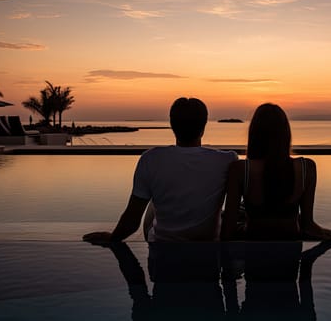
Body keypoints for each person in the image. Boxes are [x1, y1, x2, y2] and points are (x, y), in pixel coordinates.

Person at [83, 97, 238, 244]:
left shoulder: (151, 159)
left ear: (172, 126)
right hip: (207, 248)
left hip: (162, 246)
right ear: (203, 127)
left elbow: (132, 220)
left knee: (152, 200)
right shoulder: (227, 160)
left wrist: (112, 238)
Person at [221, 103, 331, 241]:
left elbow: (227, 231)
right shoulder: (306, 167)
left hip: (252, 244)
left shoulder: (240, 169)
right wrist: (330, 233)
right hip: (290, 247)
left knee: (229, 213)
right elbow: (308, 226)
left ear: (254, 134)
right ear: (285, 133)